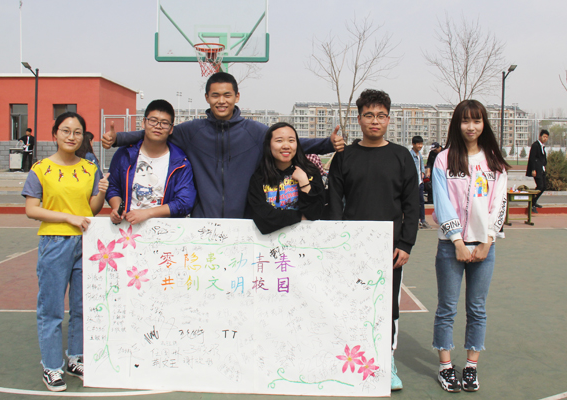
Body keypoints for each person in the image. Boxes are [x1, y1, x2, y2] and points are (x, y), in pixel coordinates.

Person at [101, 72, 344, 219]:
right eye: (215, 95)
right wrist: (118, 139)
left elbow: (290, 144)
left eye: (227, 95)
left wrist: (328, 143)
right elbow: (157, 132)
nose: (221, 101)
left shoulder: (254, 131)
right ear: (207, 97)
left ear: (237, 97)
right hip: (203, 222)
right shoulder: (191, 131)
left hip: (246, 222)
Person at [326, 89, 419, 391]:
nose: (375, 121)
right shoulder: (344, 156)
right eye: (369, 115)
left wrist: (405, 244)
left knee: (387, 307)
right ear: (359, 119)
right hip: (351, 247)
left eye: (380, 115)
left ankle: (385, 361)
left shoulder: (401, 156)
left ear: (388, 119)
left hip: (389, 249)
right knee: (350, 303)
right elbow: (334, 201)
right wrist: (339, 241)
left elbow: (412, 205)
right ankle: (350, 361)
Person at [21, 112, 110, 392]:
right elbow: (31, 209)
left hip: (86, 242)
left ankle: (76, 358)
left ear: (83, 137)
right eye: (66, 130)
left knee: (82, 306)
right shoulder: (40, 169)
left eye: (77, 132)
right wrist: (67, 218)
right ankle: (51, 366)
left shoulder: (90, 168)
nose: (72, 136)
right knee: (52, 309)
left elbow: (91, 210)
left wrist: (102, 192)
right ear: (55, 134)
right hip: (55, 241)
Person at [431, 99, 508, 393]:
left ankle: (471, 367)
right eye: (465, 121)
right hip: (451, 247)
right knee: (447, 308)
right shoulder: (444, 160)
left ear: (484, 124)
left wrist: (488, 240)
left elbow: (499, 203)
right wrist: (457, 241)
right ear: (457, 124)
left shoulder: (494, 162)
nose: (471, 127)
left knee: (477, 308)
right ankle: (446, 367)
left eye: (477, 120)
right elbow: (442, 202)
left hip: (484, 247)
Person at [106, 99, 196, 225]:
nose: (158, 126)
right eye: (153, 120)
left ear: (171, 129)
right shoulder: (125, 155)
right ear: (143, 123)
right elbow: (113, 186)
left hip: (164, 230)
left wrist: (147, 213)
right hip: (128, 228)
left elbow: (184, 202)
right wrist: (117, 208)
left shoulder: (181, 162)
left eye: (164, 123)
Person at [247, 122, 325, 234]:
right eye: (279, 141)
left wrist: (304, 183)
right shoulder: (259, 178)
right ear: (269, 145)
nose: (286, 146)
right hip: (268, 242)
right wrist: (300, 217)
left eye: (291, 140)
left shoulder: (310, 173)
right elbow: (263, 220)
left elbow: (316, 213)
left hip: (306, 239)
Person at [526, 129, 549, 213]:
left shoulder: (542, 146)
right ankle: (532, 204)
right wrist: (533, 169)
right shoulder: (535, 145)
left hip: (542, 169)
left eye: (546, 137)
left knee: (544, 186)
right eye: (544, 136)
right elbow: (532, 158)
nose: (545, 138)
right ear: (540, 136)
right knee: (540, 186)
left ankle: (534, 201)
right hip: (536, 170)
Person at [411, 135, 431, 229]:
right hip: (413, 183)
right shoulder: (410, 155)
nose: (420, 146)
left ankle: (422, 220)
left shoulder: (419, 154)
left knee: (421, 202)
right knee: (413, 202)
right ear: (413, 144)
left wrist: (423, 172)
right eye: (418, 144)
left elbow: (421, 165)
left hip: (420, 182)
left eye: (421, 144)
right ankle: (414, 221)